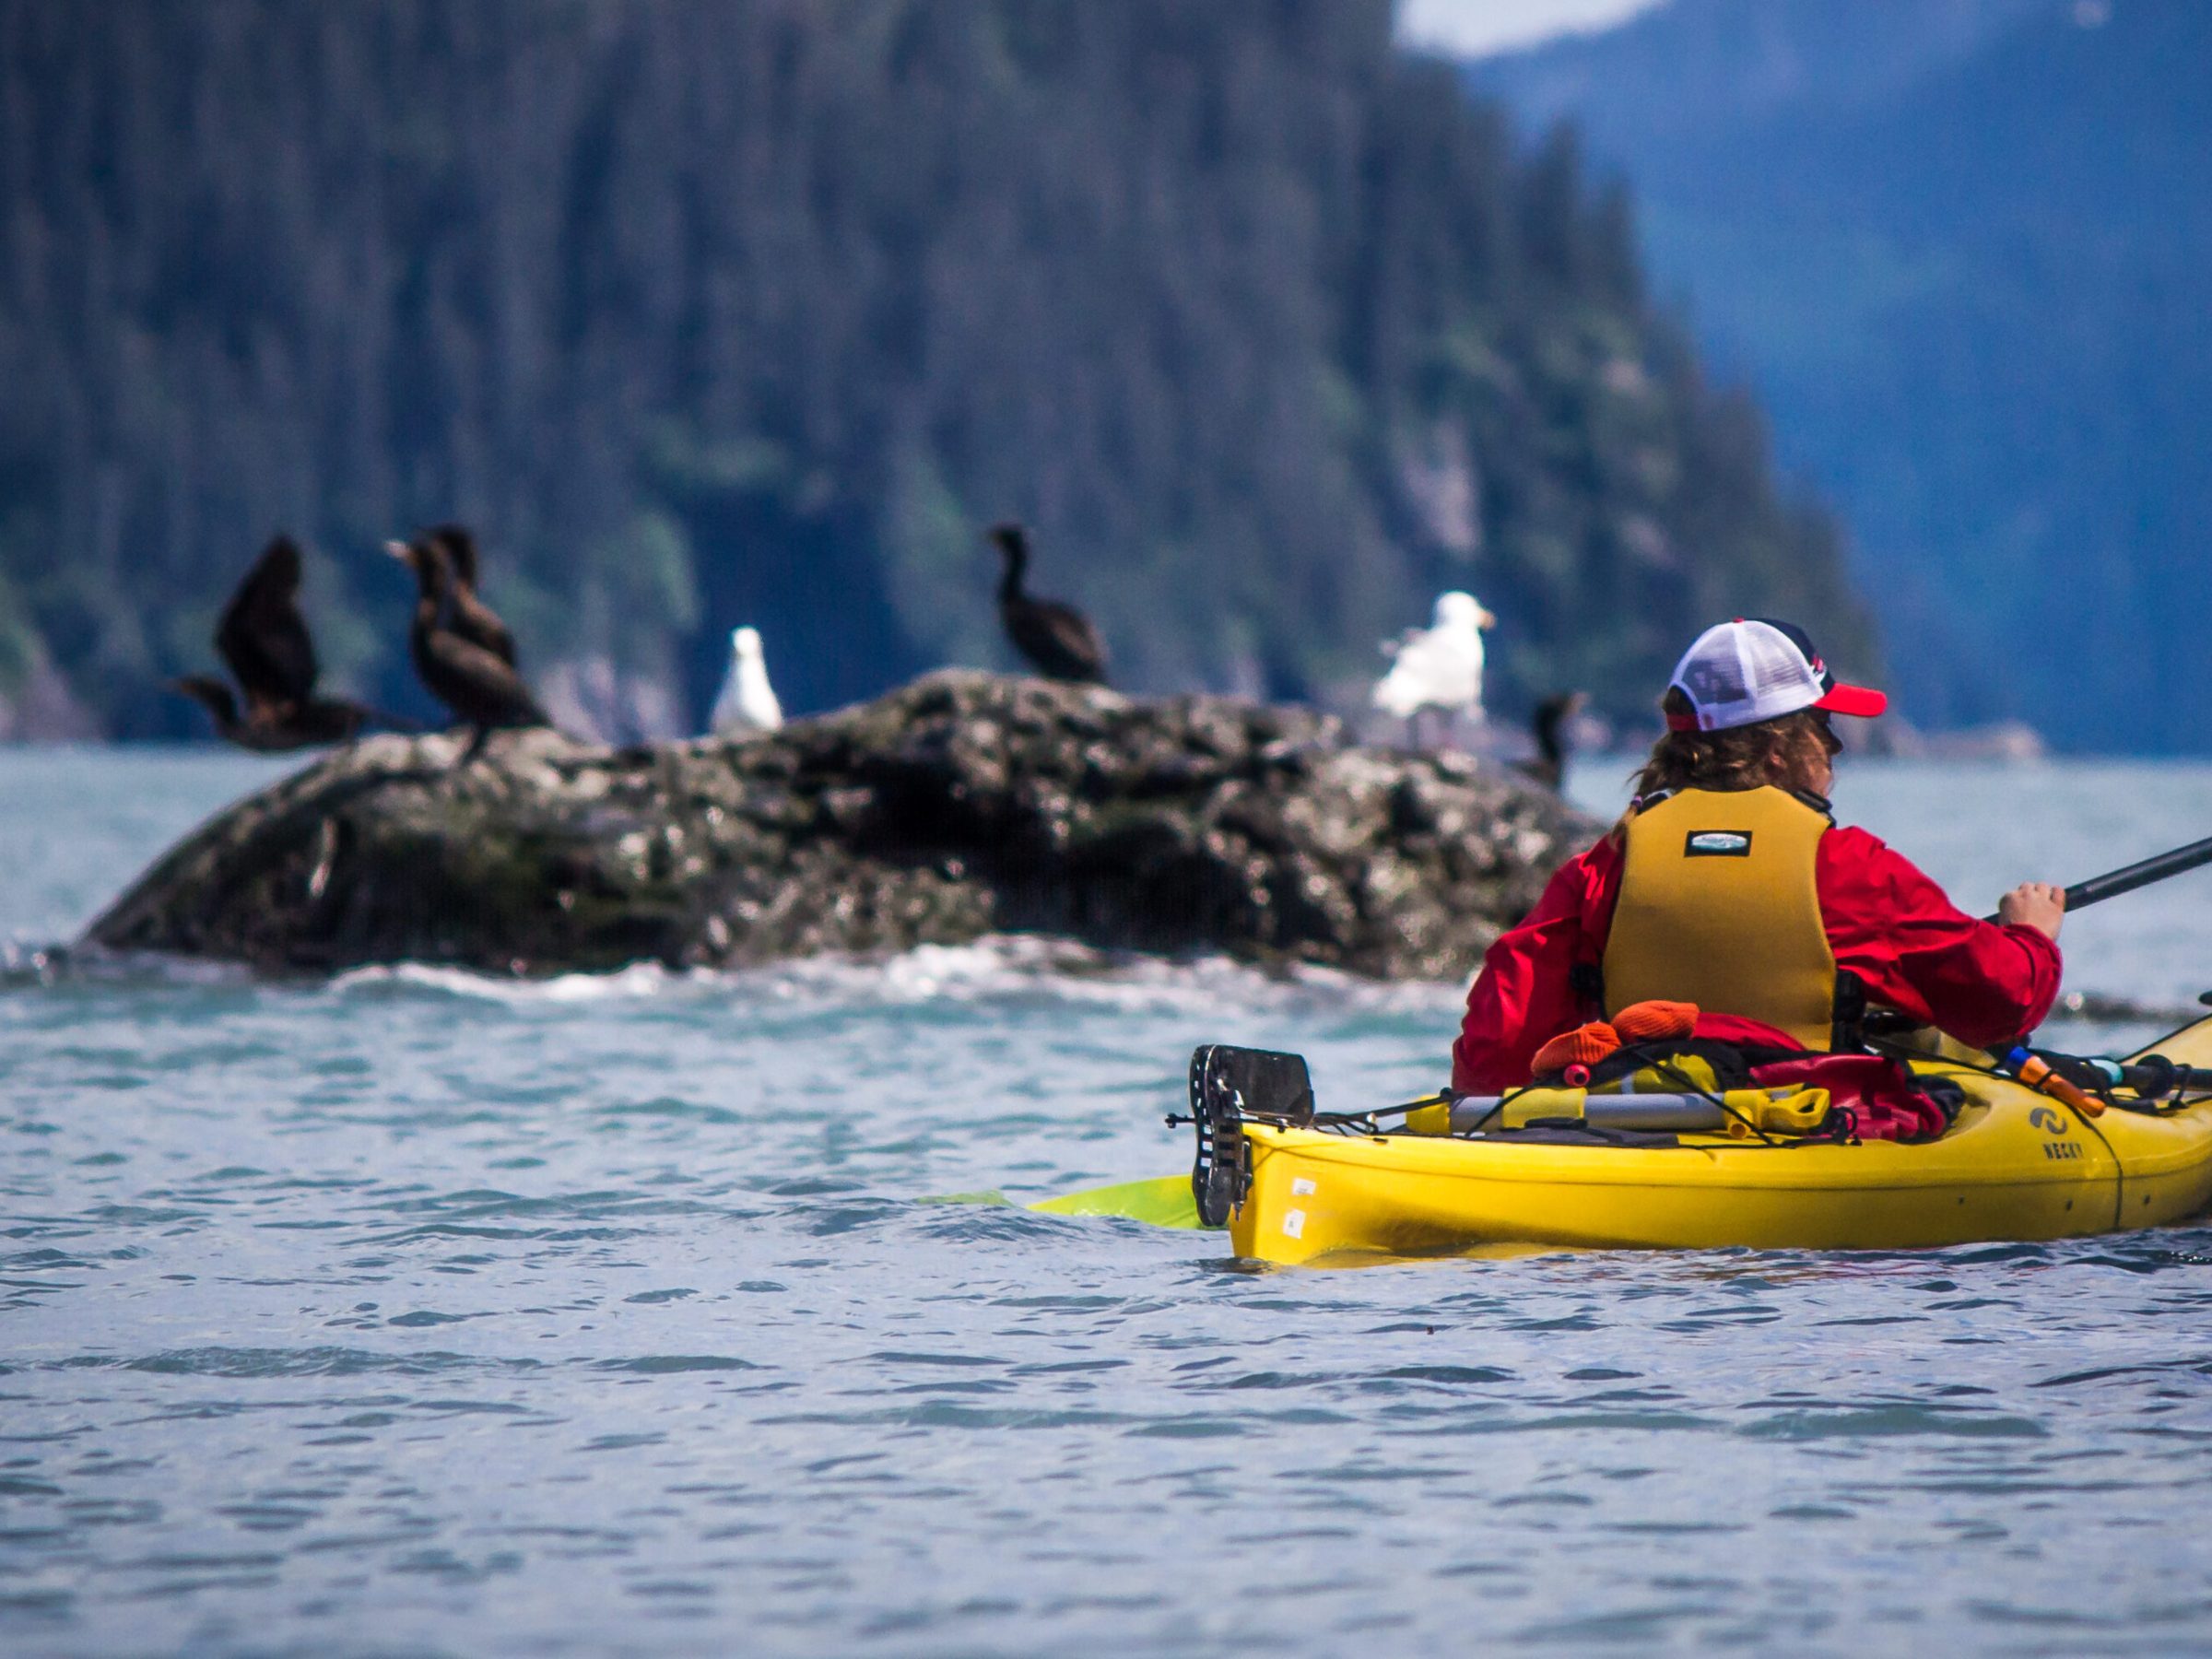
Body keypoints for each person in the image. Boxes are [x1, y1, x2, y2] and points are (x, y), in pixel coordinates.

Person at [1452, 618, 2065, 1091]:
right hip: (1800, 1135)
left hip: (1632, 1122)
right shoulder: (1848, 868)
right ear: (1779, 749)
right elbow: (2001, 1002)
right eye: (1825, 729)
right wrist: (2031, 937)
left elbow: (1496, 1046)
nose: (1835, 749)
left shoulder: (1605, 866)